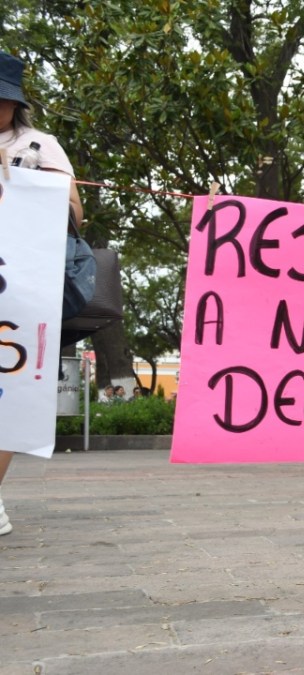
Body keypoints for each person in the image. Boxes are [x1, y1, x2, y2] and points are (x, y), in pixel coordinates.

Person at [0, 52, 86, 536]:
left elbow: (73, 212)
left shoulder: (38, 144)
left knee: (6, 393)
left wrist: (29, 185)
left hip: (17, 291)